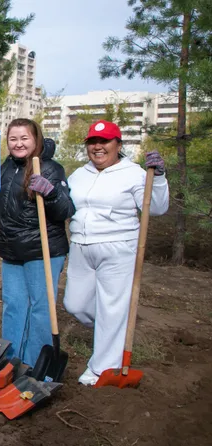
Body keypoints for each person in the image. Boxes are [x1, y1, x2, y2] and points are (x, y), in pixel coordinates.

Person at [0, 118, 75, 368]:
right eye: (13, 139)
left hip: (41, 250)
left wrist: (52, 193)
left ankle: (34, 365)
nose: (18, 143)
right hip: (11, 250)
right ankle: (10, 361)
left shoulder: (51, 169)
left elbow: (66, 209)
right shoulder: (6, 167)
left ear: (36, 140)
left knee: (40, 309)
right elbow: (4, 205)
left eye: (24, 138)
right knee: (13, 306)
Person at [63, 120, 169, 386]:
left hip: (118, 247)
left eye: (105, 141)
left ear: (118, 144)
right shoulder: (78, 174)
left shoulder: (133, 173)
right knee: (74, 304)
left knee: (112, 307)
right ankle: (114, 329)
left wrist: (157, 178)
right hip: (80, 246)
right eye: (92, 142)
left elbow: (155, 208)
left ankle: (101, 369)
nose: (98, 147)